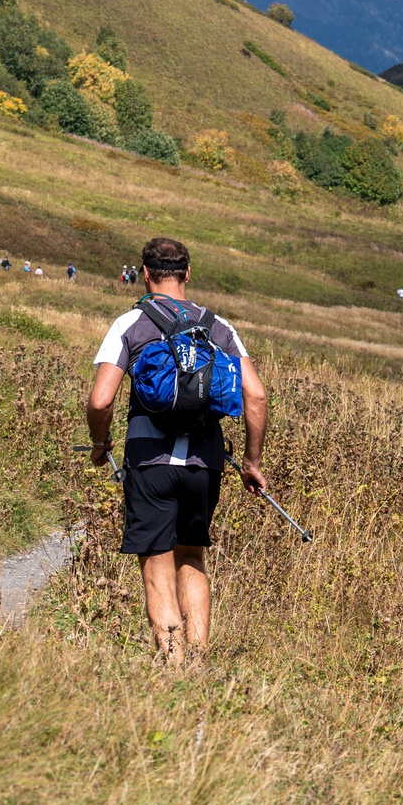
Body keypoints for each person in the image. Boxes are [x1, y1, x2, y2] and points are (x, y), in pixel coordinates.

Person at [87, 236, 270, 667]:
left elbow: (100, 401)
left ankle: (173, 669)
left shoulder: (130, 323)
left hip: (150, 461)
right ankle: (201, 661)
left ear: (144, 274)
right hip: (204, 464)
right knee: (192, 554)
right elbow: (257, 397)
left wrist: (100, 442)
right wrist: (251, 462)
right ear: (188, 274)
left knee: (155, 560)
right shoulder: (220, 328)